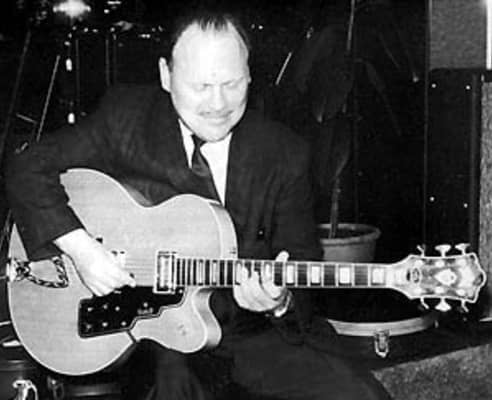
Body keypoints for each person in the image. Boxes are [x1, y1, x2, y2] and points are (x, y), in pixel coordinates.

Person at [5, 9, 392, 400]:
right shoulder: (127, 119)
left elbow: (301, 268)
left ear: (249, 75)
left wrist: (280, 301)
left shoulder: (284, 154)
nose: (218, 103)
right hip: (152, 341)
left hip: (250, 336)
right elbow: (27, 168)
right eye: (201, 86)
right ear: (166, 75)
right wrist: (83, 251)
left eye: (231, 83)